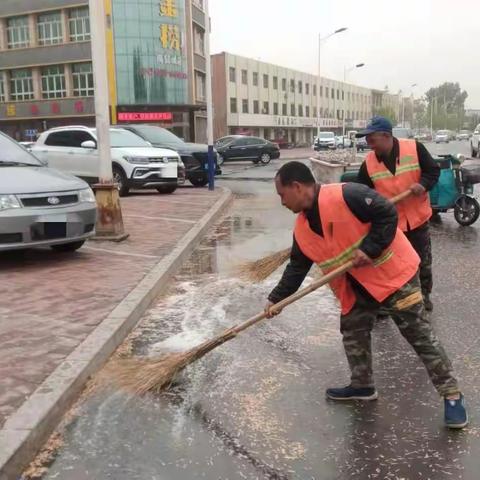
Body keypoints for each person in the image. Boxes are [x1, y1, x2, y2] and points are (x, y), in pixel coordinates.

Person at [265, 161, 467, 429]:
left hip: (393, 277)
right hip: (357, 287)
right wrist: (276, 299)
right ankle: (362, 386)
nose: (282, 202)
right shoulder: (302, 228)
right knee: (353, 330)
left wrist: (370, 248)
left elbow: (387, 213)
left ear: (297, 186)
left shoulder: (348, 195)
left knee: (419, 335)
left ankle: (452, 395)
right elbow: (297, 267)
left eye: (282, 195)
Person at [355, 116, 440, 311]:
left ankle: (424, 296)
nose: (368, 143)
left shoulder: (414, 148)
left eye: (372, 138)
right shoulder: (368, 163)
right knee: (391, 265)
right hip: (391, 226)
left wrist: (423, 184)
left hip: (417, 219)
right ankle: (388, 304)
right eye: (366, 139)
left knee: (422, 262)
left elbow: (433, 171)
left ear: (386, 136)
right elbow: (361, 193)